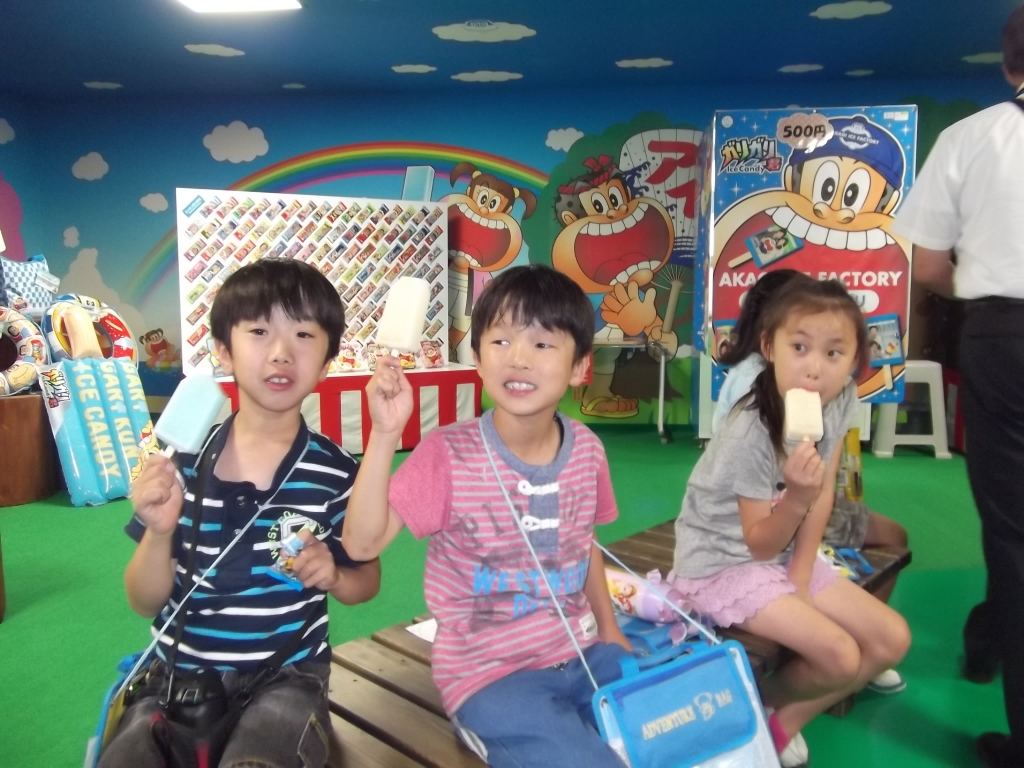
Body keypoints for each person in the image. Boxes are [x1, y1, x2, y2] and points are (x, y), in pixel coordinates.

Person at [344, 264, 633, 768]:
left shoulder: (587, 450)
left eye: (542, 344)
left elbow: (583, 542)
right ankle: (483, 730)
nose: (518, 358)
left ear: (580, 367)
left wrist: (608, 630)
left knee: (670, 729)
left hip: (583, 653)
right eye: (500, 341)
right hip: (491, 677)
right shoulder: (448, 454)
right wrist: (385, 433)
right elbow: (360, 545)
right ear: (477, 358)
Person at [101, 259, 381, 768]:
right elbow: (143, 600)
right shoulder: (180, 464)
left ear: (326, 363)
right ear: (224, 350)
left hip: (288, 678)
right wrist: (159, 533)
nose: (281, 352)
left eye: (303, 334)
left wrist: (337, 575)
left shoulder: (338, 473)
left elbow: (367, 580)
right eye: (258, 332)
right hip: (176, 676)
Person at [672, 275, 911, 768]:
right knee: (841, 657)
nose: (814, 369)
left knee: (892, 640)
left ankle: (776, 725)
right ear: (769, 347)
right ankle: (745, 708)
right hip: (720, 561)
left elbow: (822, 493)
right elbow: (758, 543)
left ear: (854, 361)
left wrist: (800, 576)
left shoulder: (840, 397)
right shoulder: (749, 430)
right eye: (799, 347)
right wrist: (797, 497)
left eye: (834, 353)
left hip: (781, 554)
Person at [889, 7, 1024, 764]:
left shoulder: (973, 137)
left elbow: (931, 266)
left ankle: (991, 638)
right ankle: (988, 632)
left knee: (1012, 527)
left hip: (1005, 335)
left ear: (1009, 65)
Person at [715, 269, 910, 614]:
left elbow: (822, 485)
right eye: (801, 344)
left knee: (891, 539)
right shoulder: (758, 384)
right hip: (761, 511)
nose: (815, 365)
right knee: (894, 537)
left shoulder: (770, 374)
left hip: (789, 499)